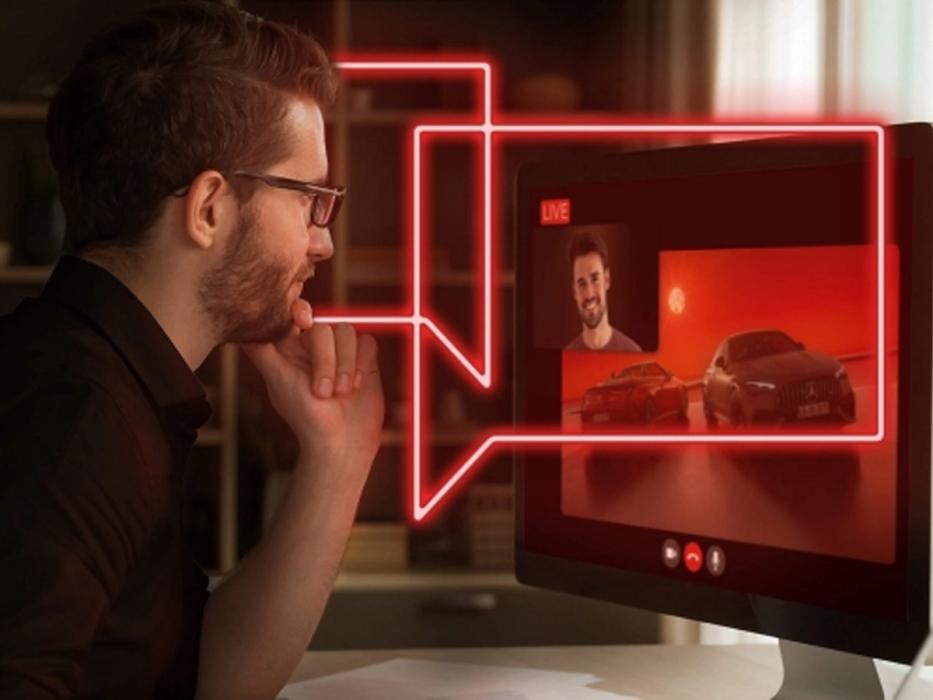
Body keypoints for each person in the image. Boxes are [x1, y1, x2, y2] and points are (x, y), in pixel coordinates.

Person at [0, 3, 384, 698]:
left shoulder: (113, 382)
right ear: (208, 208)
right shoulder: (77, 419)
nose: (322, 241)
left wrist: (337, 457)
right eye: (310, 200)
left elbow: (209, 679)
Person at [564, 230, 642, 352]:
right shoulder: (566, 356)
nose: (589, 294)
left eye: (595, 279)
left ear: (606, 279)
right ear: (574, 292)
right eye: (582, 284)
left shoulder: (633, 353)